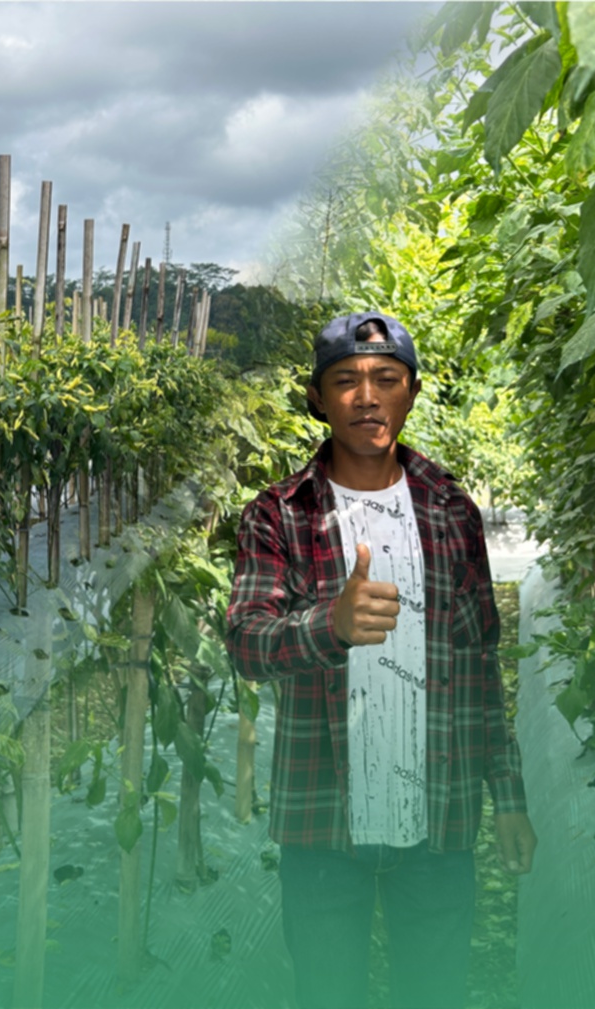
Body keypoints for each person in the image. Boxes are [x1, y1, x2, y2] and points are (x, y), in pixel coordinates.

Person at [225, 311, 536, 1009]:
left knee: (434, 989)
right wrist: (326, 626)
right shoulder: (278, 514)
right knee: (325, 990)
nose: (367, 396)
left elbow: (480, 661)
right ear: (317, 398)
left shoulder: (450, 510)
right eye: (346, 381)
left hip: (439, 817)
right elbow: (246, 640)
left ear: (412, 391)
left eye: (385, 379)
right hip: (321, 822)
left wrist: (507, 796)